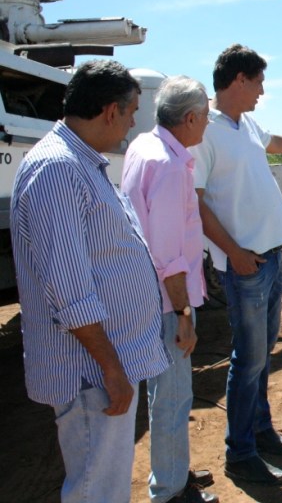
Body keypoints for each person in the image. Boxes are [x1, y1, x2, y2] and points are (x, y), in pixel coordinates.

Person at [10, 59, 170, 503]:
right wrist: (111, 368)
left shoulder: (78, 164)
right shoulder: (58, 169)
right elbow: (69, 290)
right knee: (95, 490)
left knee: (105, 484)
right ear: (110, 111)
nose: (134, 122)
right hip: (90, 372)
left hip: (102, 366)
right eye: (132, 111)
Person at [189, 44, 282, 485]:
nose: (263, 91)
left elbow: (272, 141)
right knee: (248, 359)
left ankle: (261, 431)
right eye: (259, 82)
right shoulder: (204, 131)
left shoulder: (245, 123)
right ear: (239, 80)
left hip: (269, 256)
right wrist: (234, 253)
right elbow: (196, 203)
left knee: (261, 355)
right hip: (244, 264)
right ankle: (240, 452)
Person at [122, 76, 218, 503]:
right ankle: (170, 491)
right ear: (190, 117)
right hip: (166, 301)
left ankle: (173, 471)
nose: (208, 124)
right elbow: (167, 253)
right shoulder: (171, 165)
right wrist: (183, 314)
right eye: (206, 116)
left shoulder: (144, 146)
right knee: (174, 398)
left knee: (164, 395)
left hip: (147, 293)